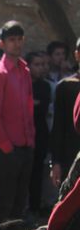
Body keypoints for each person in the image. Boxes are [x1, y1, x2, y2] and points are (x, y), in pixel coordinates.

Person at [0, 20, 34, 229]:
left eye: (19, 39)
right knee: (5, 206)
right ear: (2, 43)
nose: (16, 44)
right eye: (11, 40)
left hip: (25, 147)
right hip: (7, 150)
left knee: (19, 204)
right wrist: (8, 148)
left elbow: (28, 110)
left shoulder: (24, 71)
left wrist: (30, 142)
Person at [49, 38, 80, 190]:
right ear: (77, 55)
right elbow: (58, 127)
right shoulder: (66, 87)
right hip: (71, 156)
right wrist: (56, 162)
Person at [27, 51, 52, 215]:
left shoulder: (45, 86)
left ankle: (34, 208)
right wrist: (30, 103)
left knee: (36, 172)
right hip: (23, 135)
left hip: (40, 133)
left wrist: (29, 104)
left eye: (43, 64)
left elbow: (40, 107)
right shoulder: (24, 84)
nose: (40, 68)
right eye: (37, 64)